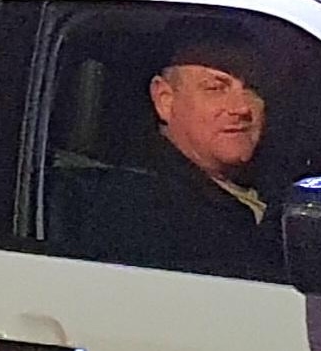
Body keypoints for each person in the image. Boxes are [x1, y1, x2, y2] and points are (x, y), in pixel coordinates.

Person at [57, 25, 285, 279]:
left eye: (253, 88)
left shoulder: (271, 183)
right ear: (165, 99)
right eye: (215, 88)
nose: (242, 108)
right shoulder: (142, 213)